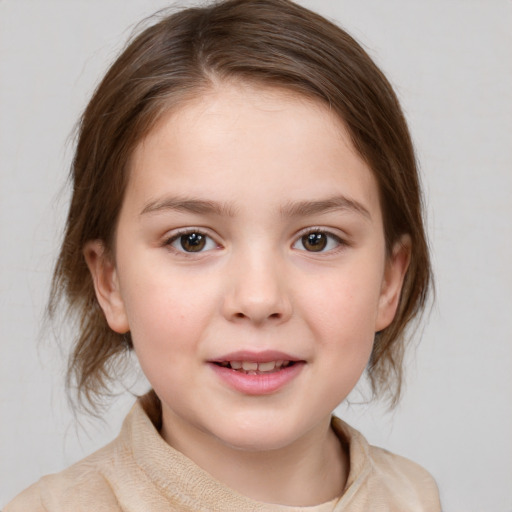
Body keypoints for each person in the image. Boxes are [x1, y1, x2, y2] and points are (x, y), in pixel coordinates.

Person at [5, 0, 441, 510]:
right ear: (110, 282)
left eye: (316, 239)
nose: (258, 299)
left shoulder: (413, 496)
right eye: (191, 240)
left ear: (390, 280)